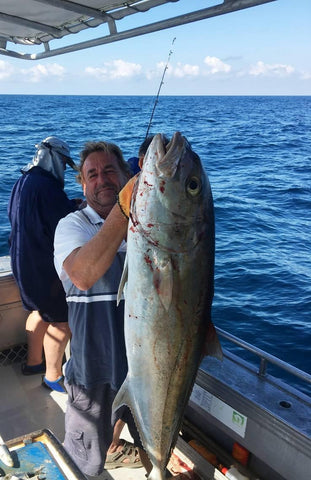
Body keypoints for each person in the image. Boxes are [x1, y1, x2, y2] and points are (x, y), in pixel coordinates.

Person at [54, 140, 152, 477]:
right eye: (92, 174)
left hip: (142, 365)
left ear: (127, 174)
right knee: (81, 463)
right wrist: (125, 209)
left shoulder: (147, 223)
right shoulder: (72, 226)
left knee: (138, 431)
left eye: (110, 170)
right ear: (83, 185)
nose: (101, 179)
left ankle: (115, 447)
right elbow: (81, 274)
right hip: (92, 371)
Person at [8, 136, 81, 393]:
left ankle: (33, 363)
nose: (63, 166)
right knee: (62, 322)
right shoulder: (48, 187)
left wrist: (69, 206)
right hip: (43, 269)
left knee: (37, 311)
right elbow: (61, 225)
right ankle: (52, 377)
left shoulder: (22, 181)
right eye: (62, 160)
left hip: (21, 263)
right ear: (53, 157)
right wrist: (79, 210)